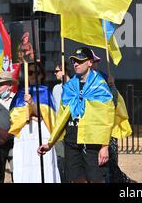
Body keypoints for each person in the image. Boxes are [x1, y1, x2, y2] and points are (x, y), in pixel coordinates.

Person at [38, 47, 115, 183]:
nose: (76, 64)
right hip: (72, 141)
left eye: (80, 61)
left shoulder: (100, 86)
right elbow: (62, 117)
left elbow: (107, 118)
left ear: (90, 62)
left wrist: (104, 146)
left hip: (92, 143)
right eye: (74, 61)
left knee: (97, 180)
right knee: (76, 180)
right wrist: (50, 143)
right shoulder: (69, 87)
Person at [9, 62, 59, 183]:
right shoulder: (20, 94)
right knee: (25, 165)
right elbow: (13, 117)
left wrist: (32, 104)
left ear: (41, 75)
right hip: (24, 134)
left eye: (36, 73)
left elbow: (48, 116)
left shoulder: (46, 92)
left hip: (41, 133)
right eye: (30, 73)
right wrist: (28, 115)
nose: (33, 76)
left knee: (43, 167)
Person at [89, 50, 133, 183]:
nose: (94, 64)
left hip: (107, 130)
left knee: (108, 166)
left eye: (95, 61)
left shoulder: (104, 78)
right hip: (89, 131)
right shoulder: (79, 80)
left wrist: (112, 86)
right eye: (92, 61)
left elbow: (113, 103)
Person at [51, 63, 70, 183]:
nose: (55, 73)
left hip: (71, 127)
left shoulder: (74, 84)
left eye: (57, 71)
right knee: (60, 158)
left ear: (64, 71)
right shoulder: (56, 88)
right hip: (59, 128)